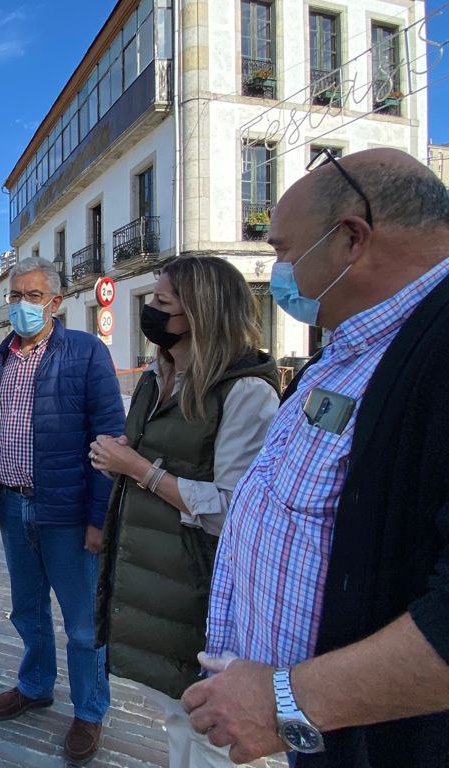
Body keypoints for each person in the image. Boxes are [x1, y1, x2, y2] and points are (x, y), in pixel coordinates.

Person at [180, 148, 449, 767]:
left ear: (351, 239)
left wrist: (289, 701)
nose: (279, 273)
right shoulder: (349, 344)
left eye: (282, 251)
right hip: (328, 733)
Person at [89, 256, 280, 767]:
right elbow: (153, 460)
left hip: (207, 591)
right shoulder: (157, 376)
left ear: (199, 313)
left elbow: (234, 510)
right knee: (177, 717)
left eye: (161, 302)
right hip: (156, 580)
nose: (149, 310)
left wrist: (139, 468)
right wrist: (121, 460)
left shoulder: (245, 392)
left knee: (211, 733)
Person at [0, 256, 125, 765]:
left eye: (33, 296)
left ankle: (89, 710)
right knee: (27, 610)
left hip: (67, 515)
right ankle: (35, 685)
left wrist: (98, 519)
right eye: (15, 296)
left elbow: (109, 440)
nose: (22, 305)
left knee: (83, 624)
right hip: (13, 506)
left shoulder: (84, 353)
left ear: (56, 303)